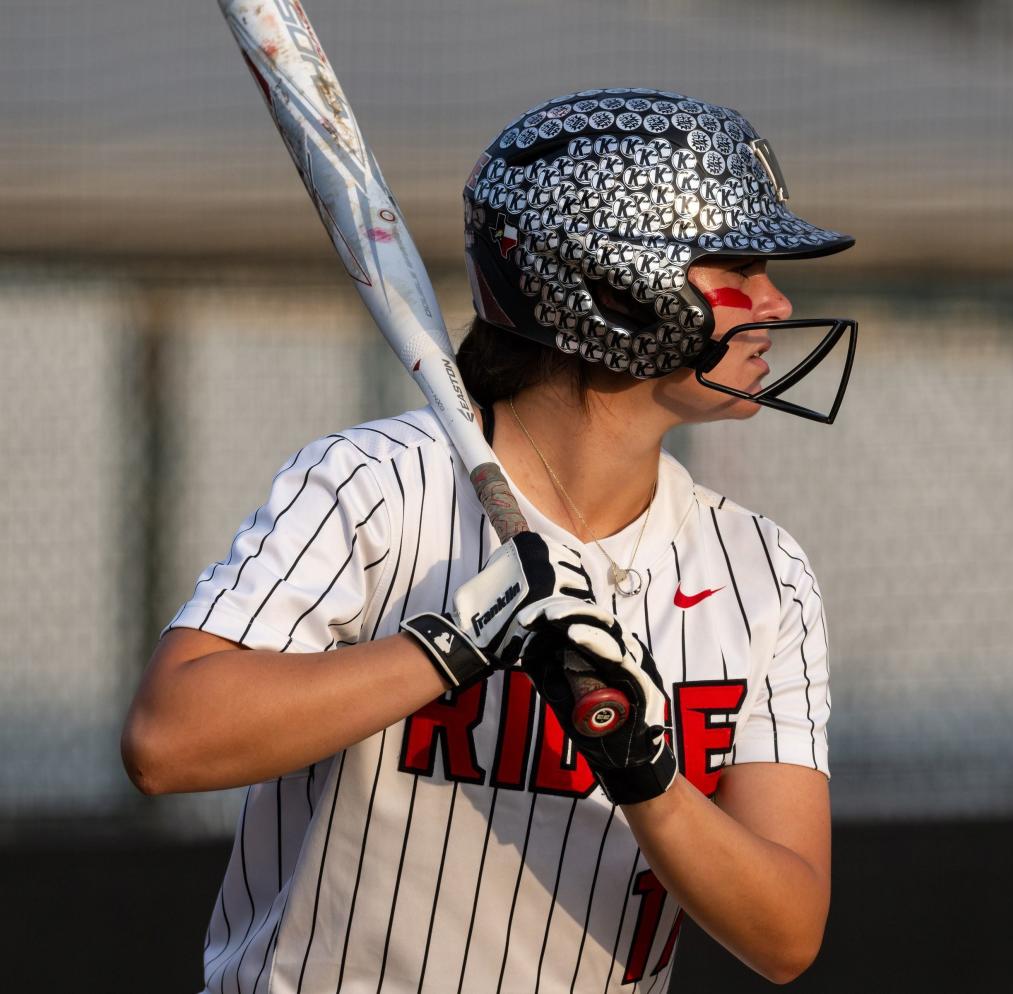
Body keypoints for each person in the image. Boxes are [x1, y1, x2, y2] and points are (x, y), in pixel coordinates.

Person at [122, 87, 857, 993]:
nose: (778, 303)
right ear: (615, 287)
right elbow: (167, 740)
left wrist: (643, 772)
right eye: (738, 266)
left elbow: (785, 934)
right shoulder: (380, 485)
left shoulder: (761, 572)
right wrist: (453, 647)